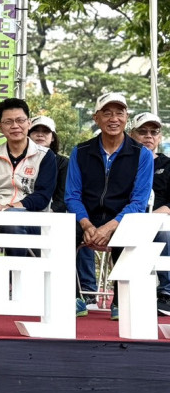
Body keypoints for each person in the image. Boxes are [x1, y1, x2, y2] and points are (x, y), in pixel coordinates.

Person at [65, 92, 153, 320]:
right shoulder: (80, 151)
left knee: (131, 232)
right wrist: (86, 224)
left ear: (127, 117)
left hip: (121, 219)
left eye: (119, 113)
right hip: (86, 219)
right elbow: (72, 196)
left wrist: (109, 227)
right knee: (61, 233)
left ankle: (121, 300)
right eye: (107, 113)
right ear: (96, 118)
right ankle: (72, 297)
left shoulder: (142, 154)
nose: (114, 119)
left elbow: (139, 202)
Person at [30, 115, 96, 304]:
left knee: (80, 232)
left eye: (45, 132)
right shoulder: (23, 160)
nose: (40, 135)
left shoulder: (63, 162)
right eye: (35, 131)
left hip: (56, 216)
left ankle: (85, 291)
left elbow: (64, 197)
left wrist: (49, 216)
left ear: (53, 137)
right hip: (27, 215)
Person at [0, 98, 57, 215]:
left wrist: (8, 207)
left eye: (20, 120)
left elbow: (42, 195)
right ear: (0, 126)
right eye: (8, 122)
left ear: (29, 123)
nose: (15, 126)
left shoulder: (45, 155)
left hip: (32, 217)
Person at [128, 111, 170, 316]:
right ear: (131, 135)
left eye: (154, 132)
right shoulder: (123, 164)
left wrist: (158, 214)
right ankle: (88, 293)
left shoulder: (168, 165)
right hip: (127, 219)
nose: (148, 136)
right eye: (142, 132)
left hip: (160, 220)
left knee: (164, 231)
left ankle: (166, 293)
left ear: (159, 137)